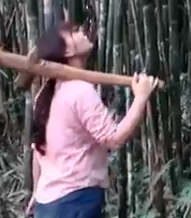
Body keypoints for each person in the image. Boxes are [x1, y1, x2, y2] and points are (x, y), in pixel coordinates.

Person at [25, 21, 159, 218]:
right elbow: (113, 138)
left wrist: (37, 192)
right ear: (68, 51)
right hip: (75, 200)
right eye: (74, 32)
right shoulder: (80, 91)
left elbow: (39, 151)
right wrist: (140, 98)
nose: (82, 31)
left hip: (48, 202)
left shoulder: (45, 94)